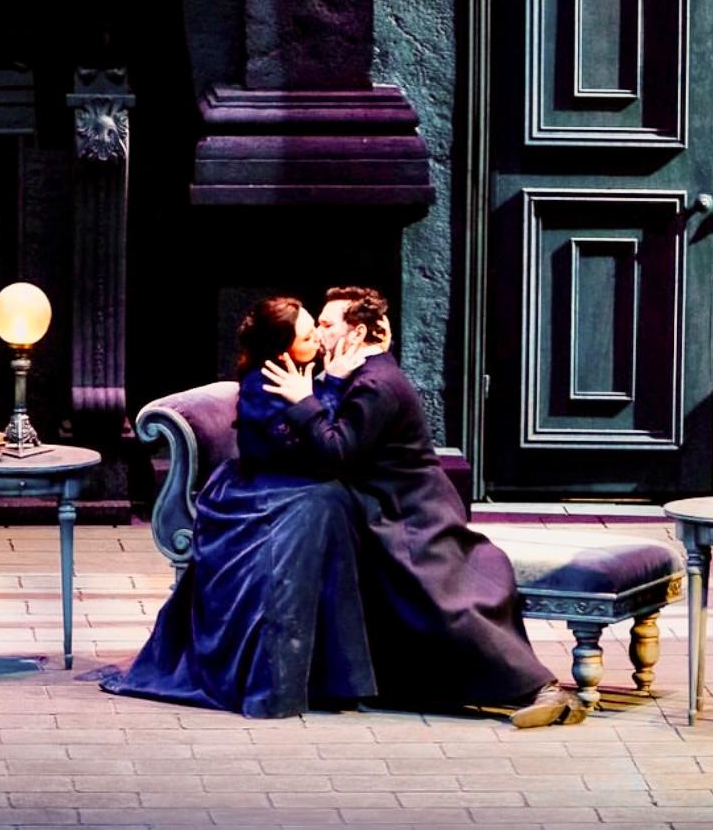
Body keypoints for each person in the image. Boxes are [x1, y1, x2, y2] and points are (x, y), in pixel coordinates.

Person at [260, 286, 586, 728]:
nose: (319, 332)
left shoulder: (375, 383)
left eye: (327, 324)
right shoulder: (360, 372)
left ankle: (541, 689)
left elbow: (337, 450)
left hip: (409, 513)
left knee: (445, 603)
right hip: (394, 504)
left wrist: (303, 401)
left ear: (357, 333)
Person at [101, 297, 379, 717]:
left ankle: (334, 678)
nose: (319, 340)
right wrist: (330, 387)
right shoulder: (261, 386)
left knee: (332, 502)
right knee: (317, 509)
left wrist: (321, 388)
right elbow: (298, 447)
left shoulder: (300, 372)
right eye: (308, 336)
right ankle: (275, 677)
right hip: (259, 489)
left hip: (293, 482)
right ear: (283, 349)